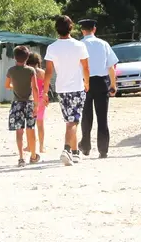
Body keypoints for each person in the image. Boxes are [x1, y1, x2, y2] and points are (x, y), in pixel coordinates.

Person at [44, 15, 90, 166]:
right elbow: (85, 67)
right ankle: (66, 150)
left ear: (57, 29)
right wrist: (87, 82)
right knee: (73, 121)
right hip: (77, 87)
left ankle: (76, 153)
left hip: (61, 88)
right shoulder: (79, 46)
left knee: (69, 121)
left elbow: (49, 71)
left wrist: (44, 91)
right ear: (71, 27)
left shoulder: (52, 48)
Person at [77, 18, 118, 159]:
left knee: (86, 116)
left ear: (83, 30)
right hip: (101, 82)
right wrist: (113, 84)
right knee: (102, 117)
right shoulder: (103, 44)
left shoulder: (79, 45)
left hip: (84, 83)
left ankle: (86, 146)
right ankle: (103, 150)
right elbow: (111, 66)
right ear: (94, 29)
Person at [5, 46, 41, 167]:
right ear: (27, 57)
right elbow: (35, 88)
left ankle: (21, 158)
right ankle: (33, 155)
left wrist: (14, 86)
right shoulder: (31, 70)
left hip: (16, 104)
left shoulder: (11, 70)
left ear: (14, 57)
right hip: (29, 103)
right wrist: (36, 105)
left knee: (19, 131)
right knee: (31, 129)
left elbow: (7, 85)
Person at [26, 53, 48, 154]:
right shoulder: (42, 72)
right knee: (40, 124)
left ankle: (29, 146)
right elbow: (46, 86)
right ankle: (41, 147)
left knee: (30, 125)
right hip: (40, 100)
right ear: (38, 61)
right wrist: (46, 97)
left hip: (29, 99)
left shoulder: (26, 72)